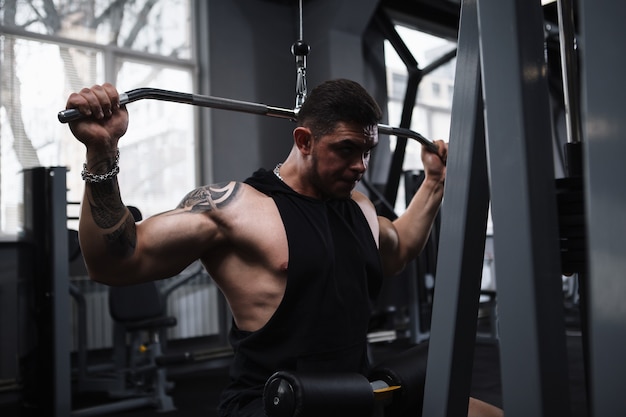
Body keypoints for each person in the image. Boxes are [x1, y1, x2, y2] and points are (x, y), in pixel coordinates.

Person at [65, 79, 502, 417]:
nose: (360, 166)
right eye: (347, 150)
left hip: (355, 395)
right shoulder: (234, 208)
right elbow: (115, 263)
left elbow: (401, 248)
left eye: (367, 151)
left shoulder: (360, 207)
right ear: (304, 140)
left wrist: (434, 183)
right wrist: (102, 152)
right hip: (273, 405)